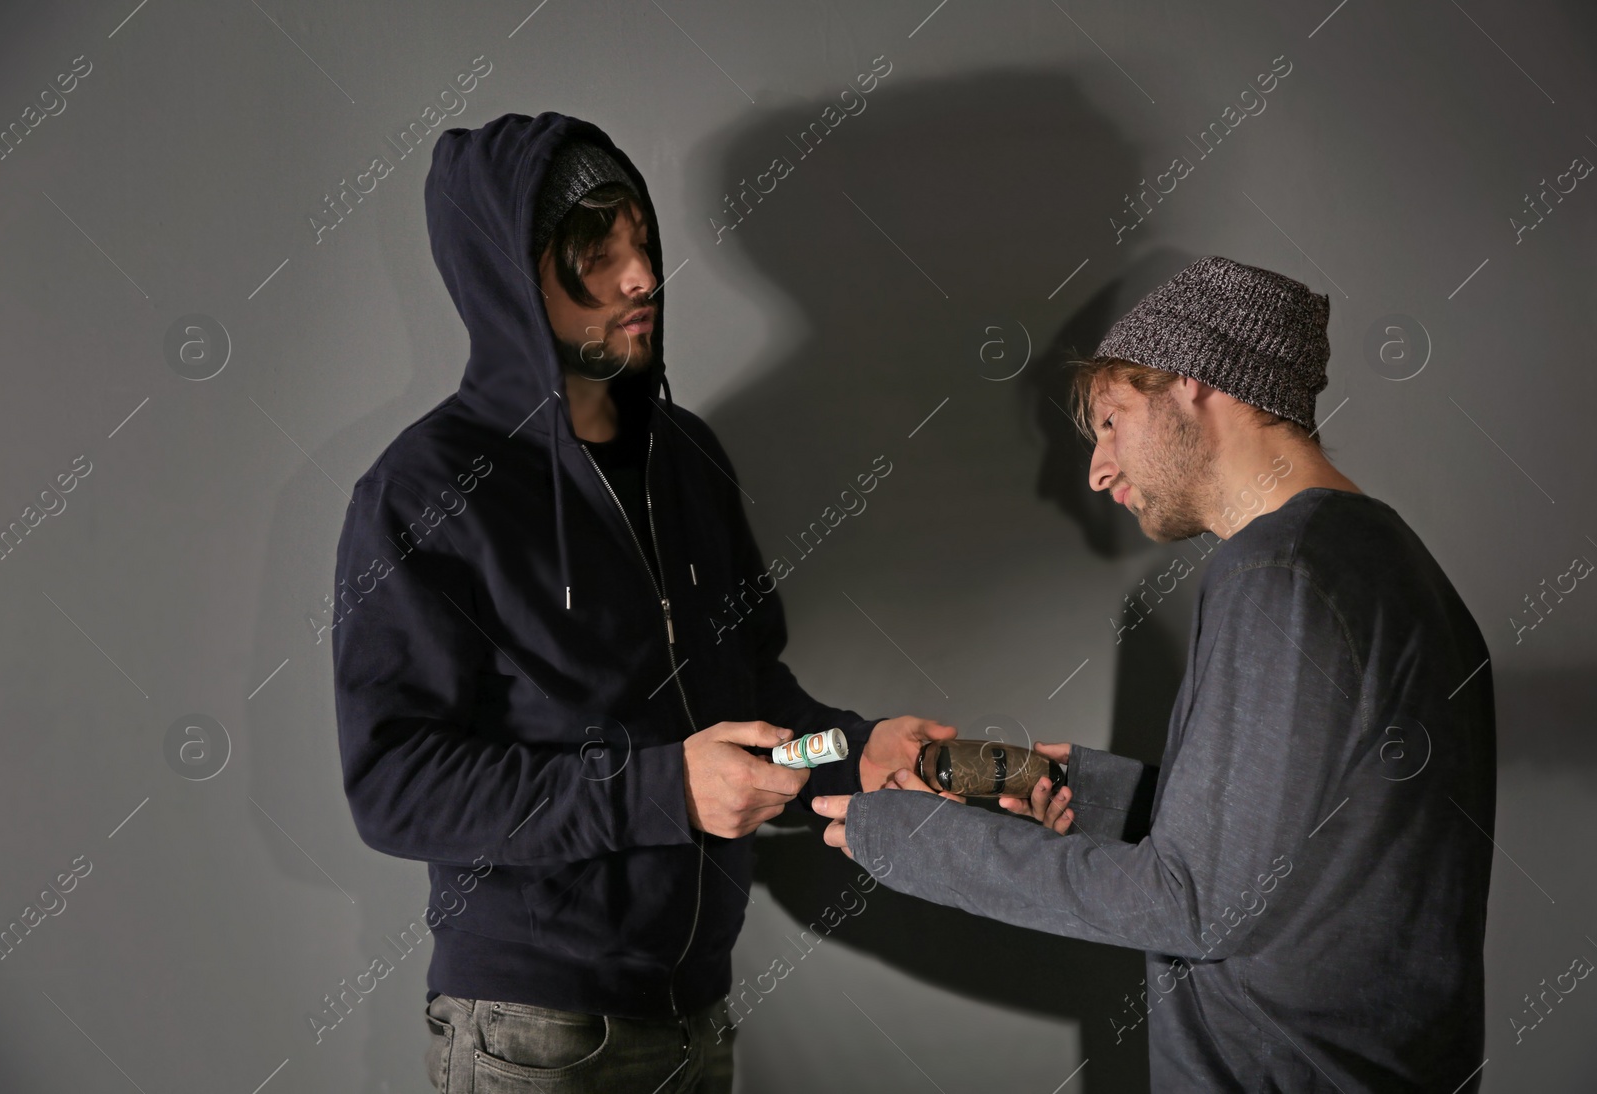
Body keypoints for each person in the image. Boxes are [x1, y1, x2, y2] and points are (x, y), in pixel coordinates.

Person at [330, 112, 953, 1094]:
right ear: (508, 271)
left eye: (642, 242)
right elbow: (397, 783)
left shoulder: (688, 457)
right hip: (534, 1034)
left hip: (697, 1016)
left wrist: (856, 748)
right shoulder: (426, 489)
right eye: (594, 250)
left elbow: (750, 699)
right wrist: (660, 789)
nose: (638, 278)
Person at [814, 256, 1497, 1092]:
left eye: (1112, 420)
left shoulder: (1275, 570)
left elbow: (1193, 904)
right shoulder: (1392, 563)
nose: (1098, 469)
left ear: (1196, 384)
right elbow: (1302, 838)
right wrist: (1078, 791)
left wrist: (908, 840)